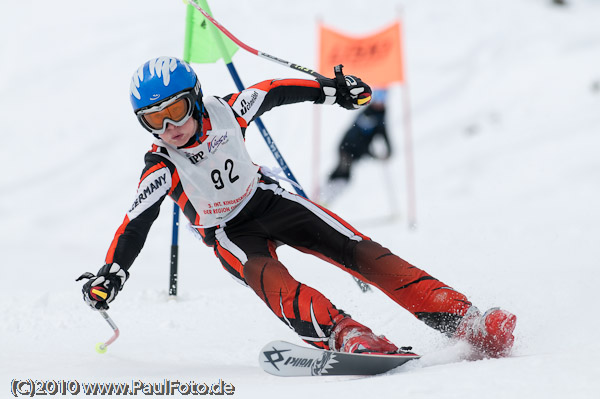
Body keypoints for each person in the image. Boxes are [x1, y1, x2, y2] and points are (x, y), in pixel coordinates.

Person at [78, 56, 516, 358]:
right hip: (231, 233)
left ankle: (467, 320)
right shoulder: (160, 165)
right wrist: (112, 275)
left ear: (195, 97)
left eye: (176, 110)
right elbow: (135, 224)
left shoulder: (228, 111)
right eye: (155, 120)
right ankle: (347, 335)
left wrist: (333, 92)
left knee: (361, 251)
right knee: (274, 282)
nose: (171, 127)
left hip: (269, 200)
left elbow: (273, 90)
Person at [320, 89, 391, 205]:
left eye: (382, 100)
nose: (380, 103)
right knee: (343, 175)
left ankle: (325, 198)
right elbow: (356, 136)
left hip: (355, 152)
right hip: (347, 148)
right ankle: (324, 199)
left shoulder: (381, 115)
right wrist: (368, 153)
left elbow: (383, 132)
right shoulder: (367, 114)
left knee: (343, 175)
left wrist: (389, 149)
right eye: (378, 100)